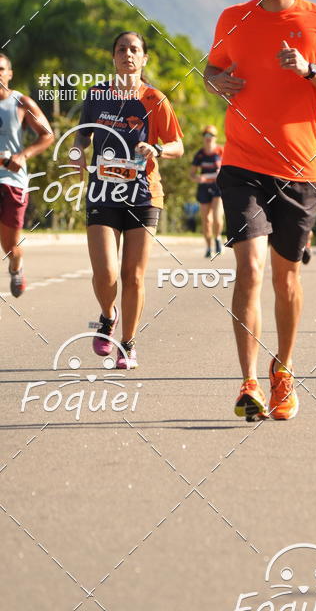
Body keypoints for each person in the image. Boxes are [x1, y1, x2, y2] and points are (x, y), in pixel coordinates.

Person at [204, 0, 316, 420]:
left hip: (298, 169)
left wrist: (310, 71)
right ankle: (248, 381)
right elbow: (212, 72)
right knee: (249, 269)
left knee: (285, 279)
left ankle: (283, 370)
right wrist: (216, 82)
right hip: (242, 163)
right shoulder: (233, 18)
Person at [74, 31, 183, 369]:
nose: (128, 54)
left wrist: (159, 149)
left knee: (133, 275)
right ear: (114, 57)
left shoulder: (155, 99)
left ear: (144, 58)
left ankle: (127, 344)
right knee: (105, 273)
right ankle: (108, 316)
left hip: (144, 193)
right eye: (121, 49)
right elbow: (82, 134)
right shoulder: (97, 95)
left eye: (135, 49)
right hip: (103, 192)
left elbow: (178, 145)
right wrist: (77, 153)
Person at [0, 53, 54, 296]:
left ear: (9, 74)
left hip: (13, 181)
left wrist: (23, 156)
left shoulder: (20, 103)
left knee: (10, 246)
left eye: (1, 69)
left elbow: (47, 135)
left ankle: (16, 264)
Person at [190, 125, 224, 257]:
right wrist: (198, 178)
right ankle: (209, 247)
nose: (208, 138)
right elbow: (192, 174)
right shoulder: (200, 154)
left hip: (218, 187)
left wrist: (221, 174)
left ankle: (218, 238)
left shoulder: (221, 151)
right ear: (203, 138)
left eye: (211, 136)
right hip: (204, 188)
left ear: (215, 138)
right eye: (206, 136)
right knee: (206, 220)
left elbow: (228, 168)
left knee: (216, 217)